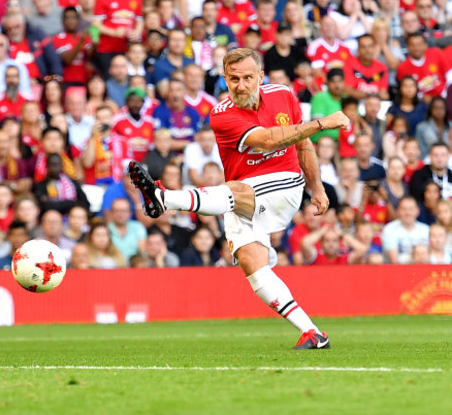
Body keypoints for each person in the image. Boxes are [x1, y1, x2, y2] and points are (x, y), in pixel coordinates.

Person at [129, 48, 349, 350]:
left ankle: (164, 199)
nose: (241, 85)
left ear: (260, 76)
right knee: (252, 265)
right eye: (234, 79)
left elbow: (302, 143)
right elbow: (270, 139)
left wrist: (318, 187)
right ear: (225, 80)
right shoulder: (222, 116)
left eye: (248, 77)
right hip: (240, 195)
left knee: (237, 191)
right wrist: (323, 123)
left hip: (284, 186)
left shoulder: (283, 95)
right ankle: (312, 332)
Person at [381, 196, 429, 264]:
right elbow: (394, 262)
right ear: (398, 211)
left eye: (411, 209)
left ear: (418, 211)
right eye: (404, 209)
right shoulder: (389, 229)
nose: (408, 213)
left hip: (422, 269)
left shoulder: (426, 230)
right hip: (396, 271)